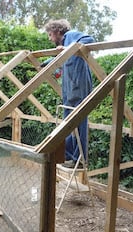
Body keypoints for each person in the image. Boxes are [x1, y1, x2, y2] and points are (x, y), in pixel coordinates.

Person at [44, 19, 95, 168]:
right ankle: (66, 155)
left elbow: (89, 40)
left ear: (57, 31)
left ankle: (79, 159)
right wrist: (48, 63)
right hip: (68, 90)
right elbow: (60, 62)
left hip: (79, 86)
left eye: (50, 34)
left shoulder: (71, 36)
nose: (49, 38)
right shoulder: (62, 46)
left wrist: (68, 48)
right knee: (67, 123)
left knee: (79, 122)